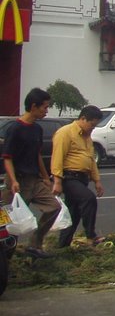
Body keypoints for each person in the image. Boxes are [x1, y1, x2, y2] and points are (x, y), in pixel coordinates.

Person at [1, 88, 61, 258]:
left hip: (34, 181)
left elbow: (37, 155)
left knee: (53, 207)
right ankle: (6, 258)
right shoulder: (15, 129)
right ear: (34, 106)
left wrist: (46, 177)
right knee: (8, 222)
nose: (46, 111)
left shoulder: (37, 129)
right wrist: (13, 181)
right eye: (45, 107)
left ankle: (35, 244)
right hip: (17, 182)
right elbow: (7, 158)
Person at [51, 105, 105, 247]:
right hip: (69, 177)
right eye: (92, 125)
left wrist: (97, 180)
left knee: (73, 214)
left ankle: (63, 245)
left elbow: (91, 159)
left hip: (82, 178)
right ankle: (91, 235)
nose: (92, 128)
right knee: (89, 199)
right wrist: (57, 180)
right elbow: (57, 157)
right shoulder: (65, 133)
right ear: (83, 118)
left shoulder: (87, 137)